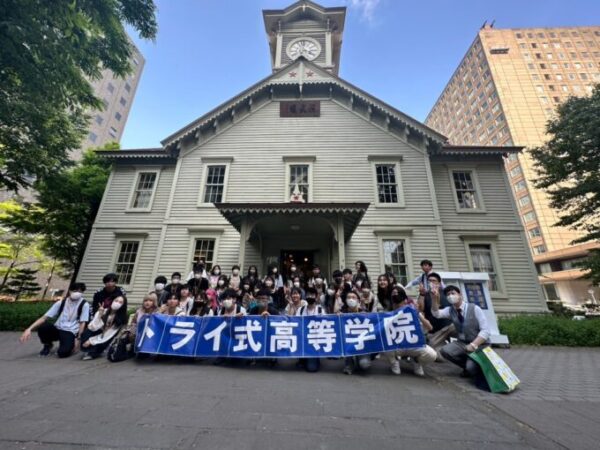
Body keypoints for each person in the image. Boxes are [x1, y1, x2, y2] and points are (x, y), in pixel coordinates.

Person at [432, 285, 490, 382]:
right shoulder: (450, 310)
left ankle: (474, 366)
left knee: (471, 369)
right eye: (448, 295)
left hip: (480, 344)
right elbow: (436, 314)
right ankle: (468, 365)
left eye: (453, 293)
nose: (450, 296)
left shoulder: (475, 308)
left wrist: (474, 344)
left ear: (460, 295)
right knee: (445, 351)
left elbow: (486, 330)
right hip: (462, 342)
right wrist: (434, 299)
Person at [20, 282, 89, 358]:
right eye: (75, 291)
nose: (77, 293)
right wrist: (29, 329)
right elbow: (44, 318)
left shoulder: (84, 304)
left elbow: (82, 323)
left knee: (63, 353)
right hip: (58, 328)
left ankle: (65, 345)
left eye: (80, 291)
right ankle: (47, 345)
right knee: (44, 327)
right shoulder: (61, 303)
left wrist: (78, 339)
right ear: (70, 291)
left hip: (70, 331)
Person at [385, 286, 436, 376]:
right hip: (398, 346)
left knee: (432, 355)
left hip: (414, 345)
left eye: (399, 303)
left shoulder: (413, 311)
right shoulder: (389, 314)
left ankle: (417, 361)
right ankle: (394, 362)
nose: (397, 306)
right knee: (384, 344)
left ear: (405, 301)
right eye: (395, 303)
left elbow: (430, 327)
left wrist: (418, 314)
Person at [81, 295, 128, 360]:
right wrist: (99, 314)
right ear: (112, 301)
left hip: (107, 337)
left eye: (120, 302)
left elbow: (109, 334)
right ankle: (90, 350)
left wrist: (92, 341)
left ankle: (95, 352)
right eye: (116, 300)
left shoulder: (121, 318)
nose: (117, 303)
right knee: (87, 332)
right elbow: (93, 327)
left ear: (123, 305)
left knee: (101, 344)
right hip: (99, 332)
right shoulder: (104, 311)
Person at [419, 272, 455, 351]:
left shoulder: (446, 293)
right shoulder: (425, 295)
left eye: (433, 280)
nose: (431, 282)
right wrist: (421, 294)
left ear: (439, 283)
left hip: (448, 326)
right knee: (434, 350)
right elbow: (421, 309)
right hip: (434, 330)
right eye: (429, 281)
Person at [341, 291, 372, 375]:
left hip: (362, 345)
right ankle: (349, 363)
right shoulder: (342, 313)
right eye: (349, 297)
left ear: (358, 300)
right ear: (345, 300)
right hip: (348, 344)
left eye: (353, 297)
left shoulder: (364, 312)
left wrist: (367, 316)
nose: (351, 299)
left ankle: (359, 359)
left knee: (364, 365)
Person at [296, 287, 324, 372]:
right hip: (303, 339)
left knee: (311, 368)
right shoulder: (300, 310)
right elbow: (296, 323)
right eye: (308, 295)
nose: (310, 297)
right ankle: (302, 358)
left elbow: (325, 325)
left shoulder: (320, 310)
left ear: (316, 297)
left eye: (312, 295)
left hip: (315, 340)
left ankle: (315, 358)